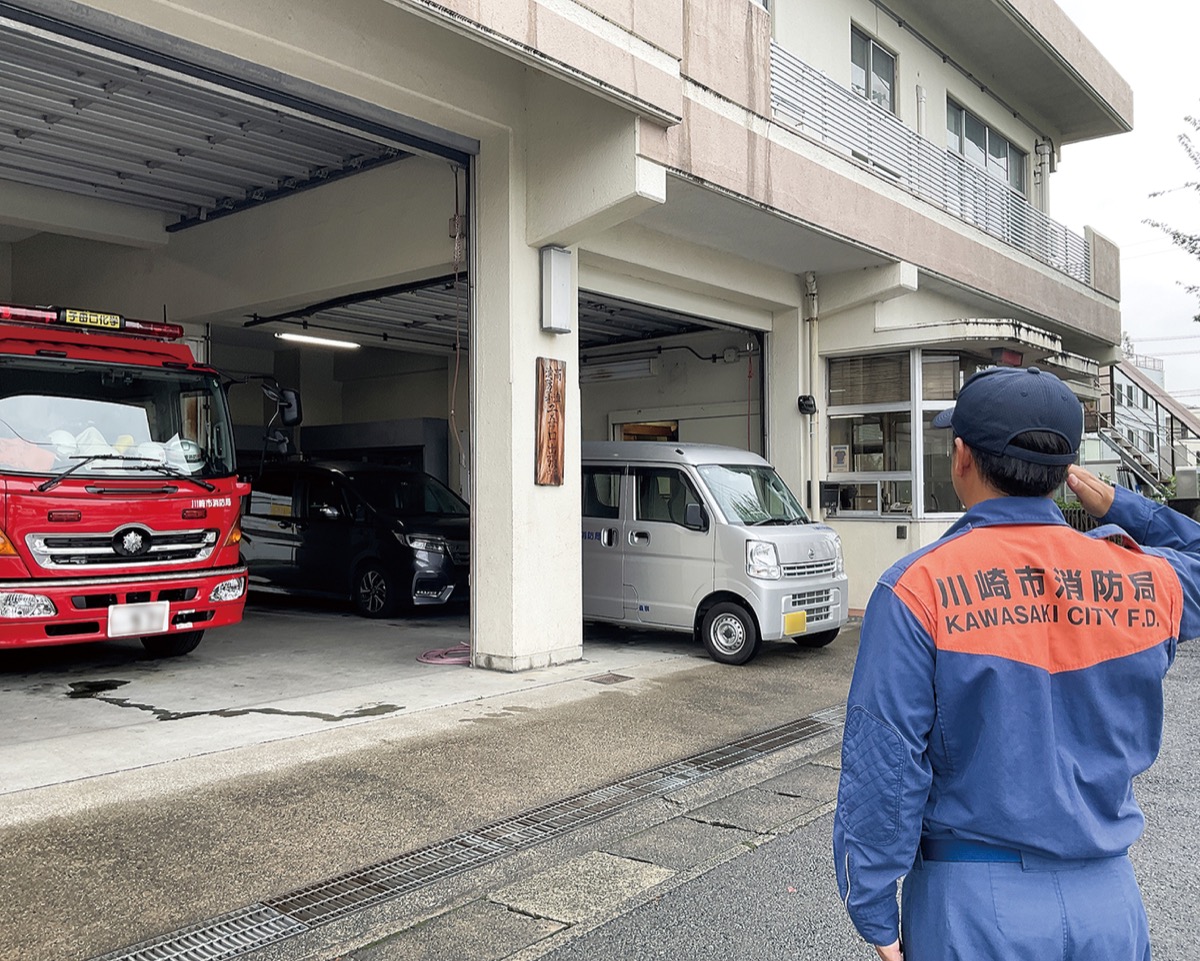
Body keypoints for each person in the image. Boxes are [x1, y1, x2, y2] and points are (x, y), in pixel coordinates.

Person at [832, 365, 1200, 961]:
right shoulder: (1149, 578)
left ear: (960, 458)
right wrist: (1120, 505)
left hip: (972, 904)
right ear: (1064, 472)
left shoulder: (917, 588)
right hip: (1109, 904)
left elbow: (884, 767)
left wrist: (874, 909)